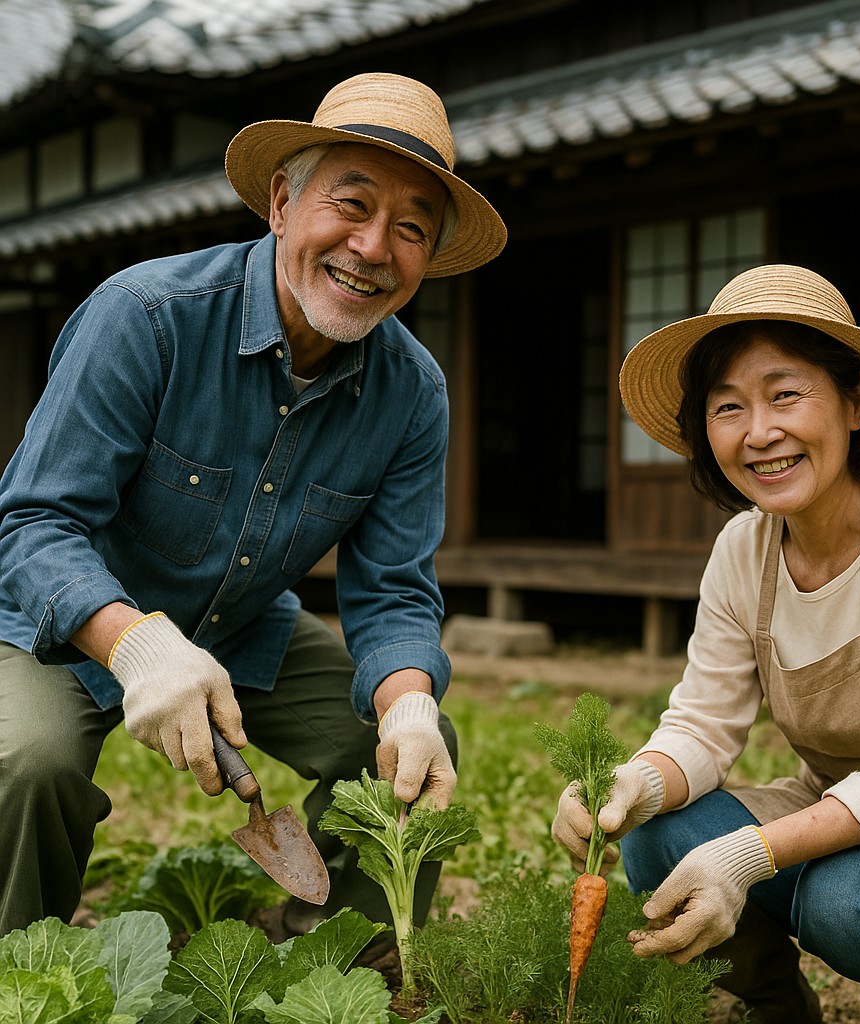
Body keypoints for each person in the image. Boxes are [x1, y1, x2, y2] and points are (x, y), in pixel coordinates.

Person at [0, 72, 506, 940]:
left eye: (412, 228)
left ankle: (331, 967)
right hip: (59, 621)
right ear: (281, 202)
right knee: (26, 761)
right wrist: (140, 643)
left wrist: (411, 700)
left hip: (237, 624)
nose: (374, 247)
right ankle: (25, 972)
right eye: (350, 205)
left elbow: (392, 590)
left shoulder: (414, 393)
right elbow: (33, 523)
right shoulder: (147, 317)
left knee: (403, 754)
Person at [551, 264, 860, 1023]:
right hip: (850, 808)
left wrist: (749, 855)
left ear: (855, 400)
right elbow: (702, 726)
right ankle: (777, 1009)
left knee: (847, 899)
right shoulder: (744, 549)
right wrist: (629, 784)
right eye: (728, 406)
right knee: (655, 836)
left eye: (785, 394)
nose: (759, 433)